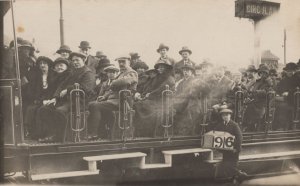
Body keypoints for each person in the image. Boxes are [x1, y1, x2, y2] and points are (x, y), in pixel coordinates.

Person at [37, 51, 96, 142]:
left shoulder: (88, 73)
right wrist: (55, 98)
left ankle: (59, 137)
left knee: (60, 111)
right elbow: (62, 85)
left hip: (80, 102)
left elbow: (85, 88)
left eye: (77, 60)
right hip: (67, 101)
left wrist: (68, 89)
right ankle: (52, 133)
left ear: (83, 60)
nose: (75, 62)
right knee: (44, 109)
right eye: (73, 60)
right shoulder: (72, 73)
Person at [87, 56, 138, 140]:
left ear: (129, 61)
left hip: (123, 102)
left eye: (123, 62)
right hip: (114, 101)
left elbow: (125, 81)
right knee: (92, 104)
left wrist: (114, 82)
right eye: (119, 62)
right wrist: (104, 96)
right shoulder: (122, 73)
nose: (121, 64)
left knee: (95, 106)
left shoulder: (132, 72)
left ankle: (94, 133)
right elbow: (112, 90)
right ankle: (101, 133)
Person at [134, 59, 175, 137]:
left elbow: (160, 90)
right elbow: (150, 88)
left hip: (163, 102)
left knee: (138, 105)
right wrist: (142, 95)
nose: (160, 69)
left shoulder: (170, 79)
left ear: (167, 68)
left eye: (162, 67)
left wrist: (149, 95)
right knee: (137, 104)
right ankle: (141, 132)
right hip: (154, 99)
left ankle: (145, 133)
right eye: (159, 67)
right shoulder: (157, 78)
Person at [213, 108, 247, 181]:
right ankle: (235, 177)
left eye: (227, 115)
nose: (225, 117)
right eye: (223, 115)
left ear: (230, 116)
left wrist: (236, 148)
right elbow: (215, 133)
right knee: (226, 164)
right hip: (226, 150)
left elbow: (239, 138)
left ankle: (240, 175)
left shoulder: (234, 125)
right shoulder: (220, 125)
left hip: (234, 150)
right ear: (222, 117)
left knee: (232, 165)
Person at [24, 56, 54, 139]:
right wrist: (36, 99)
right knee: (30, 108)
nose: (42, 65)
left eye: (44, 63)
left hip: (51, 98)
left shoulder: (54, 75)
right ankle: (30, 132)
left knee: (41, 110)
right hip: (39, 99)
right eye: (40, 64)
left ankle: (43, 133)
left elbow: (55, 89)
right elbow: (32, 90)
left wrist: (48, 99)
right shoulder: (37, 76)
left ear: (48, 65)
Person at [243, 65, 273, 132]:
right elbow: (253, 92)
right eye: (261, 73)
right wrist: (249, 96)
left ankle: (251, 127)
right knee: (246, 106)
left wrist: (254, 92)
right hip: (255, 101)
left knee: (250, 108)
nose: (263, 75)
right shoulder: (257, 81)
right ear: (259, 74)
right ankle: (248, 126)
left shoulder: (269, 82)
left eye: (265, 73)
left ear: (267, 74)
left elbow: (265, 91)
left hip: (263, 104)